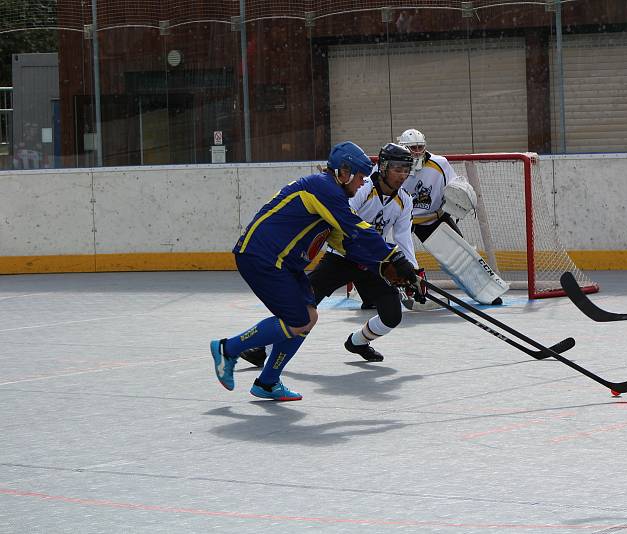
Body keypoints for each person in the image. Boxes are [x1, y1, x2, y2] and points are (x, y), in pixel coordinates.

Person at [210, 141, 422, 401]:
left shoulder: (335, 193)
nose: (361, 183)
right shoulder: (324, 188)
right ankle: (227, 348)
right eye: (358, 177)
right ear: (343, 173)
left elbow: (341, 240)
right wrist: (392, 256)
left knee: (309, 316)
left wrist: (385, 265)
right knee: (297, 319)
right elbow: (355, 227)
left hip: (286, 262)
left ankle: (267, 381)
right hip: (263, 256)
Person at [397, 128, 508, 305]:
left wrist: (460, 192)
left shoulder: (440, 163)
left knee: (463, 259)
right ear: (403, 148)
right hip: (402, 221)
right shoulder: (395, 166)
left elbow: (455, 185)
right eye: (412, 148)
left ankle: (486, 292)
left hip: (433, 218)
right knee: (389, 257)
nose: (417, 152)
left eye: (420, 147)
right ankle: (381, 295)